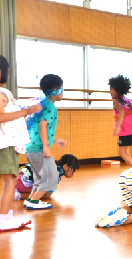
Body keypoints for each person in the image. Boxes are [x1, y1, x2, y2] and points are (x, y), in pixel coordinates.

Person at [0, 55, 41, 231]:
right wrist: (27, 111)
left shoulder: (5, 92)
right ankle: (3, 219)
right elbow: (1, 117)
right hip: (6, 143)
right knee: (10, 181)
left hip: (9, 143)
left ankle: (7, 216)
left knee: (8, 181)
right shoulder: (1, 94)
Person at [24, 74, 67, 210]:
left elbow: (39, 129)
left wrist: (54, 140)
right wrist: (47, 147)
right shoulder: (50, 107)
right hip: (39, 149)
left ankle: (31, 199)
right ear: (57, 90)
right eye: (62, 88)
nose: (63, 91)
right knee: (51, 176)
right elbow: (43, 125)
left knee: (39, 176)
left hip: (31, 148)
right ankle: (34, 201)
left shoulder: (42, 104)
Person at [15, 154, 79, 201]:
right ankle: (19, 195)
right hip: (22, 182)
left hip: (18, 178)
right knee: (46, 194)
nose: (74, 173)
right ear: (65, 166)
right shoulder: (57, 172)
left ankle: (16, 191)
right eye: (73, 170)